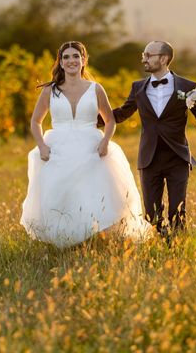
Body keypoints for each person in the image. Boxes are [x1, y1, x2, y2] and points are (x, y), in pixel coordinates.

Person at [20, 41, 150, 248]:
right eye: (66, 57)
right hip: (58, 147)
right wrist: (42, 145)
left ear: (83, 61)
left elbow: (110, 120)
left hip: (91, 146)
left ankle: (93, 239)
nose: (71, 61)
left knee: (93, 192)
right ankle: (65, 240)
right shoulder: (49, 91)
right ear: (60, 63)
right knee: (60, 194)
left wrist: (105, 142)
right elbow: (35, 122)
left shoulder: (95, 89)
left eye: (75, 56)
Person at [108, 41, 196, 238]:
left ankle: (176, 251)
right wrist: (91, 118)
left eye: (148, 55)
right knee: (151, 214)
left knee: (178, 212)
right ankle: (158, 247)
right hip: (149, 158)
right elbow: (122, 114)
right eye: (144, 54)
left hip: (177, 157)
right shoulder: (138, 87)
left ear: (163, 58)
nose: (144, 58)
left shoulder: (188, 86)